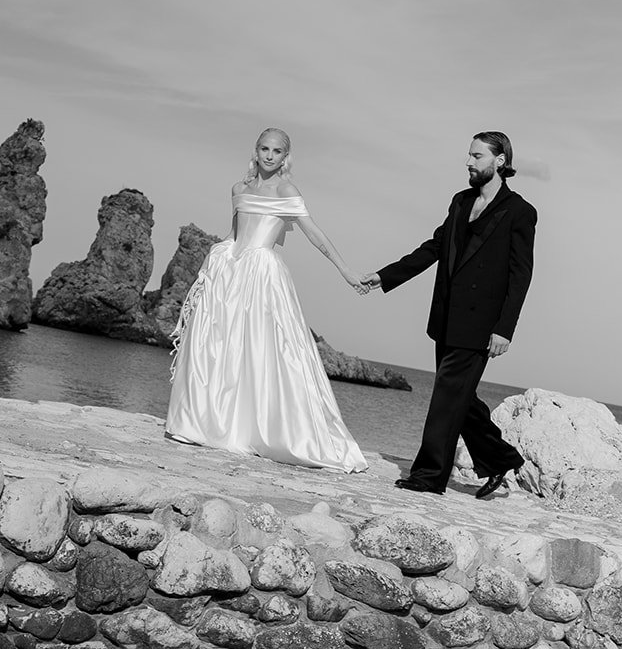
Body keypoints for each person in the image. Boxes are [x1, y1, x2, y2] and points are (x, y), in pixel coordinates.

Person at [165, 127, 369, 473]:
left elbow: (314, 234)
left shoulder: (287, 190)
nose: (269, 156)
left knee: (264, 350)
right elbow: (234, 233)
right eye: (264, 148)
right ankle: (205, 424)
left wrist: (345, 270)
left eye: (277, 151)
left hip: (262, 274)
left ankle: (270, 431)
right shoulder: (239, 188)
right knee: (219, 347)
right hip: (229, 271)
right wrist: (207, 269)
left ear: (286, 157)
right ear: (256, 150)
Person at [363, 131, 536, 498]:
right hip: (446, 317)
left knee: (446, 396)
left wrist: (505, 329)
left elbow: (521, 276)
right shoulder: (460, 201)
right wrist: (385, 275)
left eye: (477, 156)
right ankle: (500, 457)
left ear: (500, 161)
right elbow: (435, 248)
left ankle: (428, 476)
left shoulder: (520, 212)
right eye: (469, 156)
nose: (469, 163)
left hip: (481, 325)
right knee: (460, 398)